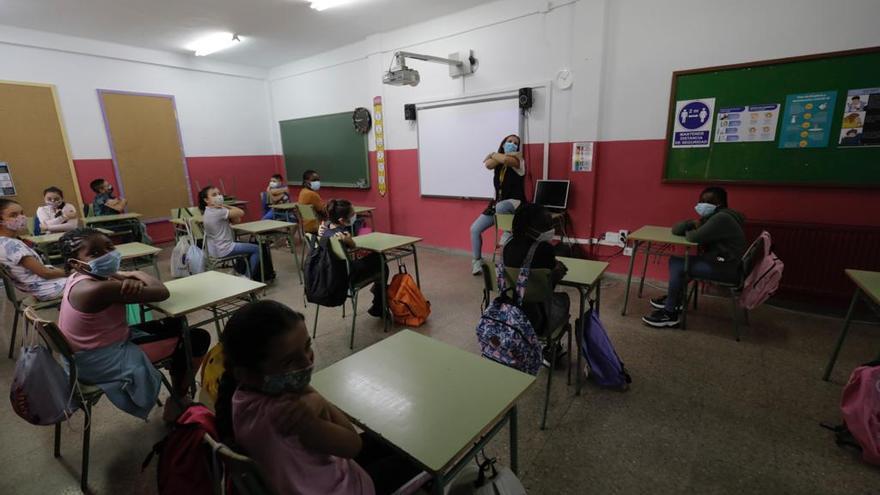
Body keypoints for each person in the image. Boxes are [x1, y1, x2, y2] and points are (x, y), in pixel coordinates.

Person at [214, 300, 421, 495]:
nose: (307, 363)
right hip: (350, 488)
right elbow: (353, 445)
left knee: (390, 441)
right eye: (289, 361)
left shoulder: (240, 395)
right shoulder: (289, 417)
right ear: (247, 373)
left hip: (320, 476)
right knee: (415, 455)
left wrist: (312, 399)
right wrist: (318, 402)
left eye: (307, 347)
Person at [58, 228, 210, 420]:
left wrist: (122, 277)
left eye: (109, 247)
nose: (107, 255)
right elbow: (161, 292)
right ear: (75, 263)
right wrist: (136, 273)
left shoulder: (79, 278)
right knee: (196, 338)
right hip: (102, 360)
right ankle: (178, 400)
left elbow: (125, 283)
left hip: (85, 355)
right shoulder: (97, 289)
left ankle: (177, 375)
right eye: (95, 253)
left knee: (176, 325)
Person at [643, 187, 746, 328]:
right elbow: (676, 229)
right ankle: (676, 301)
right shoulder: (716, 216)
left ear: (719, 203)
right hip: (725, 263)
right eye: (701, 201)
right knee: (678, 262)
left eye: (708, 201)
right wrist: (691, 223)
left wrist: (693, 228)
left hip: (726, 268)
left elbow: (693, 237)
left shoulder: (722, 218)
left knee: (677, 264)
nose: (703, 204)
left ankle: (670, 314)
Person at [503, 203, 570, 366]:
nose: (550, 228)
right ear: (530, 227)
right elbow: (545, 290)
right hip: (535, 320)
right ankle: (550, 351)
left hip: (508, 315)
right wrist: (556, 274)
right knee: (564, 299)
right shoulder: (544, 249)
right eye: (546, 225)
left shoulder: (508, 245)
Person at [469, 134, 526, 275]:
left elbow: (506, 159)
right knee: (475, 229)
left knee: (501, 207)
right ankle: (477, 261)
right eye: (509, 141)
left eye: (515, 143)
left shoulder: (519, 161)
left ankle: (507, 232)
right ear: (503, 143)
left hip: (516, 203)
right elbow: (488, 165)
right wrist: (496, 156)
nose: (512, 144)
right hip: (497, 203)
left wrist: (493, 154)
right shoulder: (498, 161)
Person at [319, 199, 385, 317]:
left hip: (328, 275)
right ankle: (379, 303)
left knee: (377, 260)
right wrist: (349, 241)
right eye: (352, 214)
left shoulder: (325, 229)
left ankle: (378, 296)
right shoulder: (341, 236)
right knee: (381, 260)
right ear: (341, 220)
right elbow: (354, 248)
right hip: (346, 277)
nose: (355, 216)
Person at [0, 199, 67, 301]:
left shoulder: (5, 242)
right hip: (49, 288)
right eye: (13, 215)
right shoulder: (11, 245)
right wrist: (70, 272)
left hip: (41, 287)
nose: (21, 218)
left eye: (21, 213)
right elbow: (45, 273)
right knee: (95, 280)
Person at [199, 185, 269, 281]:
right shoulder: (217, 212)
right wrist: (225, 206)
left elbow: (237, 220)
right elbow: (241, 212)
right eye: (214, 195)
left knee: (245, 247)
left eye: (219, 194)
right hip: (225, 249)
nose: (218, 196)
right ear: (206, 200)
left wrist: (223, 208)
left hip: (215, 249)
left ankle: (239, 272)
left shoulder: (210, 211)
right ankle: (247, 279)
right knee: (257, 249)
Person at [298, 169, 325, 234]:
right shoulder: (312, 194)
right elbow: (323, 211)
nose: (317, 182)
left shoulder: (303, 191)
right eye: (314, 180)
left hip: (306, 225)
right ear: (306, 182)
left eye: (318, 180)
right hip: (315, 226)